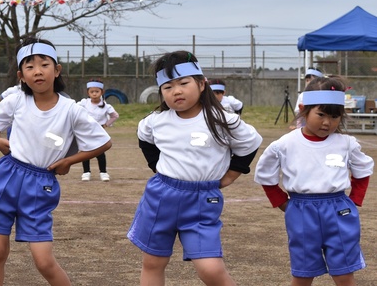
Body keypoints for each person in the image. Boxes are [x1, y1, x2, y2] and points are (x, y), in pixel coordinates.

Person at [0, 38, 112, 286]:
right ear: (21, 76)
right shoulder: (16, 100)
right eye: (29, 66)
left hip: (41, 184)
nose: (37, 71)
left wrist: (70, 160)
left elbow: (103, 142)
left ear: (56, 70)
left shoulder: (72, 109)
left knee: (44, 260)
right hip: (5, 178)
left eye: (44, 64)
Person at [128, 50, 262, 286]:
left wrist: (232, 174)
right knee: (153, 262)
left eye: (183, 83)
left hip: (202, 200)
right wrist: (156, 167)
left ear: (201, 84)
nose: (176, 91)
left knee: (210, 269)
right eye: (167, 87)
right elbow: (144, 139)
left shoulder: (222, 119)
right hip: (161, 198)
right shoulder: (156, 121)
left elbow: (250, 143)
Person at [254, 77, 373, 285]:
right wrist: (284, 203)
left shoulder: (346, 143)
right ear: (303, 109)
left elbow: (363, 170)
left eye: (335, 117)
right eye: (321, 114)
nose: (327, 122)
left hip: (338, 211)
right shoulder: (286, 144)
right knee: (303, 272)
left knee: (344, 273)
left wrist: (353, 201)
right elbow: (265, 175)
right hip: (301, 211)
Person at [77, 79, 118, 182]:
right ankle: (86, 172)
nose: (94, 94)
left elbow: (114, 116)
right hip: (86, 131)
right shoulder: (84, 103)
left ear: (102, 92)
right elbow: (75, 110)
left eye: (97, 91)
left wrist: (106, 124)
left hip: (99, 132)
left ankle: (103, 172)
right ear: (88, 93)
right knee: (85, 151)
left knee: (100, 152)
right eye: (92, 92)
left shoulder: (106, 106)